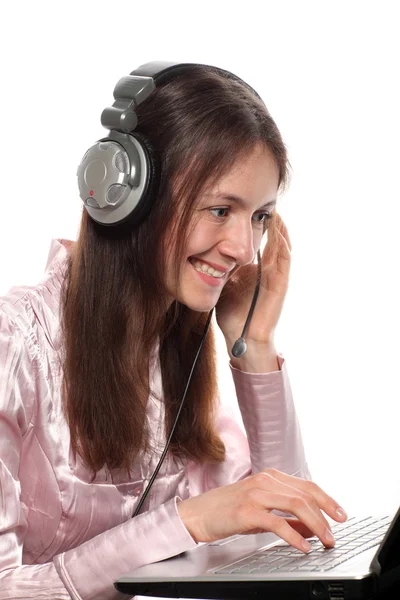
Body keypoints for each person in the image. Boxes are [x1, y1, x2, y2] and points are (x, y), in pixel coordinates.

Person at [0, 62, 348, 600]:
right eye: (219, 208)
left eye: (259, 217)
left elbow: (287, 535)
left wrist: (254, 345)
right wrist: (188, 522)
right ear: (126, 199)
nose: (244, 250)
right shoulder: (15, 345)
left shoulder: (175, 358)